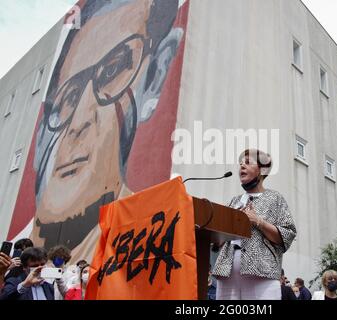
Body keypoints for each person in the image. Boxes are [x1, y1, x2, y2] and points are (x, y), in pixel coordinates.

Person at [3, 0, 183, 264]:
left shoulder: (147, 237)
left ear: (156, 73)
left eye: (111, 71)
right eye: (69, 96)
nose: (78, 123)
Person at [212, 149, 297, 300]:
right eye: (240, 164)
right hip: (226, 274)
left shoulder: (275, 198)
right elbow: (217, 242)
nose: (241, 167)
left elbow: (287, 235)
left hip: (262, 275)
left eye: (247, 163)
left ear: (262, 170)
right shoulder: (233, 201)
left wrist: (258, 221)